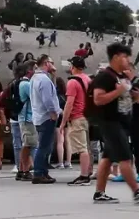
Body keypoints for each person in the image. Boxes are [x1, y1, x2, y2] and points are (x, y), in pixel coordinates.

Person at [89, 42, 139, 204]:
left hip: (122, 122)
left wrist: (135, 96)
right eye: (125, 57)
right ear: (115, 57)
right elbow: (98, 99)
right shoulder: (104, 77)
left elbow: (127, 99)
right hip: (110, 122)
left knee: (107, 158)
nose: (127, 60)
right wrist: (118, 91)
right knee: (125, 158)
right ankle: (137, 192)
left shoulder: (123, 77)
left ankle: (99, 193)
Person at [61, 56, 92, 186]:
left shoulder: (72, 82)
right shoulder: (88, 79)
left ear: (72, 66)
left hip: (77, 117)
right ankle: (88, 171)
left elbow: (69, 104)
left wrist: (63, 122)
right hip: (86, 116)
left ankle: (84, 176)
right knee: (86, 146)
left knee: (81, 148)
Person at [30, 54, 61, 184]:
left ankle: (43, 171)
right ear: (46, 63)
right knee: (44, 146)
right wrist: (53, 112)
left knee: (46, 146)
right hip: (46, 117)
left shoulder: (36, 78)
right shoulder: (43, 80)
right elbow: (48, 99)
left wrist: (53, 76)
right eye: (51, 62)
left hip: (39, 116)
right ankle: (38, 172)